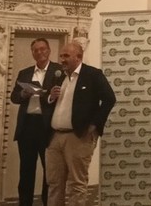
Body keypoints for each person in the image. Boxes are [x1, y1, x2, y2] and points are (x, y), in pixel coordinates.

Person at [44, 41, 116, 206]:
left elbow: (109, 99)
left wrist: (95, 125)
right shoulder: (58, 76)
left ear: (78, 57)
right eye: (61, 55)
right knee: (54, 183)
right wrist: (50, 98)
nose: (62, 59)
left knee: (76, 184)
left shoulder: (92, 75)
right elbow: (50, 102)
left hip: (78, 136)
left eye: (66, 56)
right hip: (54, 137)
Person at [9, 38, 61, 206]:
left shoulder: (58, 71)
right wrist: (23, 94)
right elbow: (14, 97)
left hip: (48, 127)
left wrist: (48, 96)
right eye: (36, 50)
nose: (39, 52)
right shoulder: (24, 73)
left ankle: (48, 202)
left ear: (49, 51)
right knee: (26, 171)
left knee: (49, 171)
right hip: (27, 127)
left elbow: (62, 96)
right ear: (32, 53)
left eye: (42, 49)